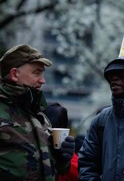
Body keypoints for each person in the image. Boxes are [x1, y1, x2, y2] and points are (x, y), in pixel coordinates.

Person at [0, 44, 75, 180]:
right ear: (15, 74)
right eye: (36, 72)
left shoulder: (40, 116)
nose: (43, 80)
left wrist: (63, 158)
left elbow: (59, 171)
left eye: (43, 73)